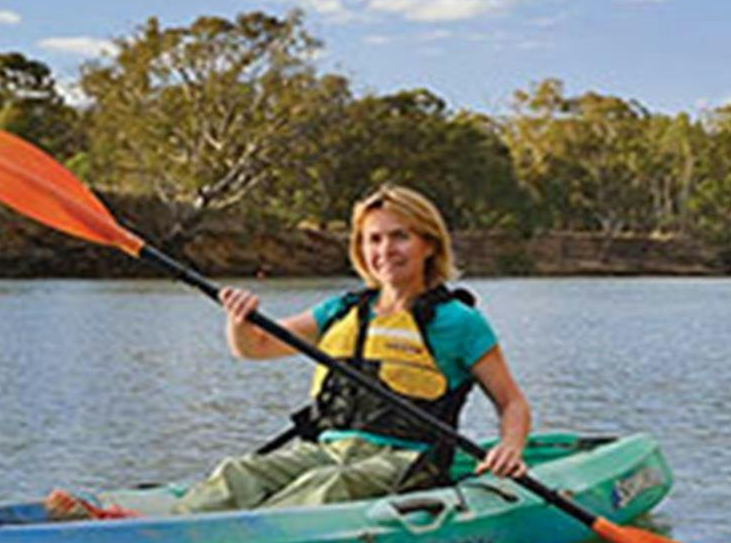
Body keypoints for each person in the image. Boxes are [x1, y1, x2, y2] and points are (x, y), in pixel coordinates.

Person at [46, 184, 531, 518]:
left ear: (428, 243)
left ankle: (221, 542)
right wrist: (237, 320)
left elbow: (511, 403)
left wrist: (509, 447)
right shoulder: (342, 310)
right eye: (374, 239)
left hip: (405, 462)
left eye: (399, 236)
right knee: (242, 473)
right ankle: (141, 527)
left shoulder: (458, 322)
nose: (386, 250)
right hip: (328, 447)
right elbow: (255, 347)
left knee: (323, 491)